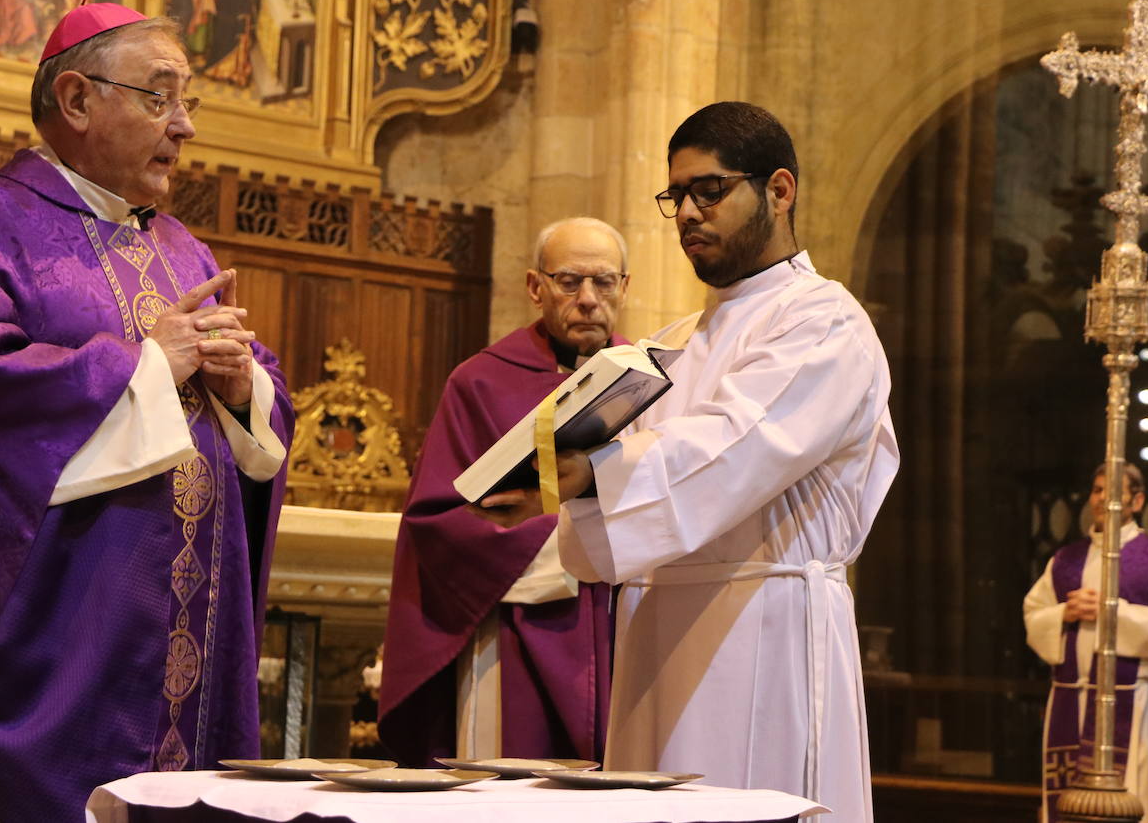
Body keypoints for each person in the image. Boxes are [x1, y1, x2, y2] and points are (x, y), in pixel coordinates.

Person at [0, 3, 293, 823]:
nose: (184, 127)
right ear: (77, 101)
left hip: (189, 623)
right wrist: (150, 364)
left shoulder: (182, 245)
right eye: (160, 97)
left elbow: (263, 390)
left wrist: (238, 388)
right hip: (69, 632)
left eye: (187, 102)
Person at [553, 102, 899, 818]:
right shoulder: (674, 343)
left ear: (779, 190)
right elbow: (621, 510)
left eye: (708, 191)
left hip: (766, 631)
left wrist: (595, 473)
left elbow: (736, 447)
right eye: (675, 196)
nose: (686, 212)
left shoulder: (825, 321)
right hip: (658, 633)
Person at [378, 218, 626, 766]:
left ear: (624, 289)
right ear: (536, 287)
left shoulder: (648, 383)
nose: (588, 299)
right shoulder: (481, 382)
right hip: (515, 632)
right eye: (569, 281)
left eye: (604, 282)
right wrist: (573, 539)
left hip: (627, 632)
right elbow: (437, 523)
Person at [1022, 464, 1148, 823]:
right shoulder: (1065, 560)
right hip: (1072, 698)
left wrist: (1113, 613)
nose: (1103, 499)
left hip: (1133, 703)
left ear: (1138, 500)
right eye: (1098, 490)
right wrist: (1064, 614)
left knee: (1133, 799)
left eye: (1113, 491)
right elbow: (1033, 617)